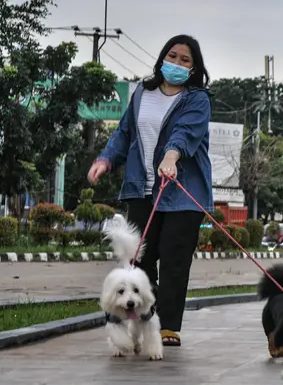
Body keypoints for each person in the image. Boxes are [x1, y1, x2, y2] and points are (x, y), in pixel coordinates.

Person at [87, 34, 213, 347]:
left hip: (182, 192)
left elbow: (186, 134)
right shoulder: (143, 93)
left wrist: (171, 157)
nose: (177, 63)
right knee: (140, 260)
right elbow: (124, 132)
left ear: (194, 67)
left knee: (173, 260)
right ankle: (143, 320)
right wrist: (105, 159)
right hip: (140, 188)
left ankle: (168, 327)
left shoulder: (197, 99)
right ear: (162, 58)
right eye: (173, 56)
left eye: (186, 60)